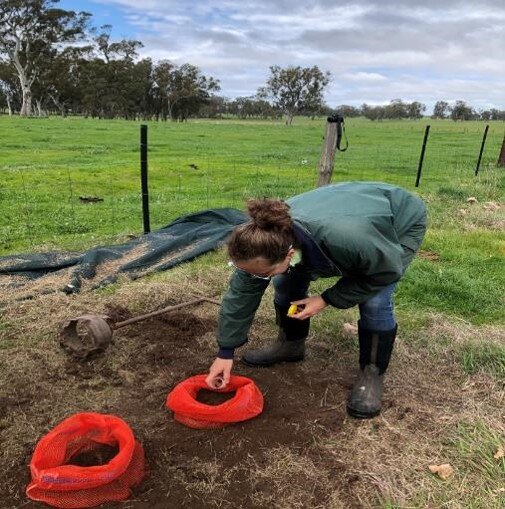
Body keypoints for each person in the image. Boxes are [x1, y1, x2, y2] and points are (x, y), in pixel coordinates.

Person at [205, 181, 427, 419]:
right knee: (285, 281)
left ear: (289, 254)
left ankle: (372, 372)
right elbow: (242, 293)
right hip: (344, 211)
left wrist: (325, 299)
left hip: (397, 220)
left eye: (263, 273)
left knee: (375, 300)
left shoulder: (348, 239)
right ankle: (290, 345)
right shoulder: (262, 241)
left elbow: (384, 272)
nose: (258, 278)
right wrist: (225, 352)